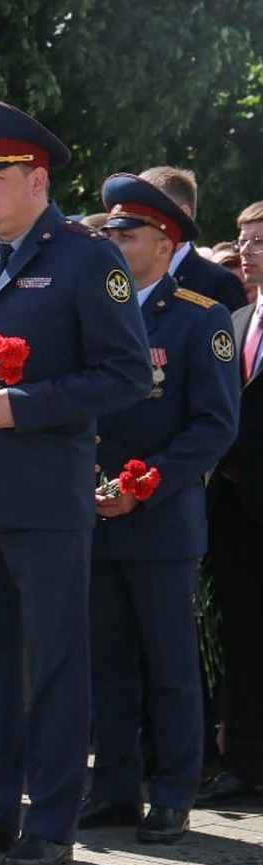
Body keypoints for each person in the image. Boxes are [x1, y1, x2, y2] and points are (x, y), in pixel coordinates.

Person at [0, 100, 151, 865]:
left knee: (51, 662)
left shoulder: (86, 259)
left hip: (45, 498)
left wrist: (26, 407)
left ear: (36, 179)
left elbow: (122, 375)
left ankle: (48, 820)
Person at [76, 174, 240, 843]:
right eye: (110, 230)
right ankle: (114, 789)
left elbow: (213, 427)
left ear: (164, 240)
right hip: (91, 510)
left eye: (127, 232)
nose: (113, 240)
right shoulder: (96, 309)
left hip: (160, 519)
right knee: (106, 662)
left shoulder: (200, 316)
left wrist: (142, 486)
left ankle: (173, 791)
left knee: (169, 663)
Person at [199, 199, 263, 806]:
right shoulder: (239, 320)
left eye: (260, 240)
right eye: (242, 240)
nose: (246, 251)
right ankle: (245, 762)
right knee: (242, 636)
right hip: (235, 511)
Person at [140, 166, 248, 311]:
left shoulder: (220, 283)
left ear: (183, 214)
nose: (138, 221)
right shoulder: (128, 277)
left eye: (149, 210)